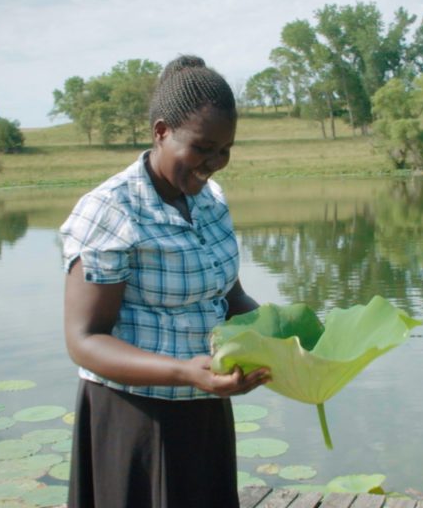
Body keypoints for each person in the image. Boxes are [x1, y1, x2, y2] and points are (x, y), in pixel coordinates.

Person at [60, 55, 270, 508]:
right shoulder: (111, 209)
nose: (214, 163)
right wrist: (183, 373)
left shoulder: (211, 201)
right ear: (161, 132)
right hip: (135, 418)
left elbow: (228, 295)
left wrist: (287, 338)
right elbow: (84, 340)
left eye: (225, 150)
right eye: (202, 147)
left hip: (204, 408)